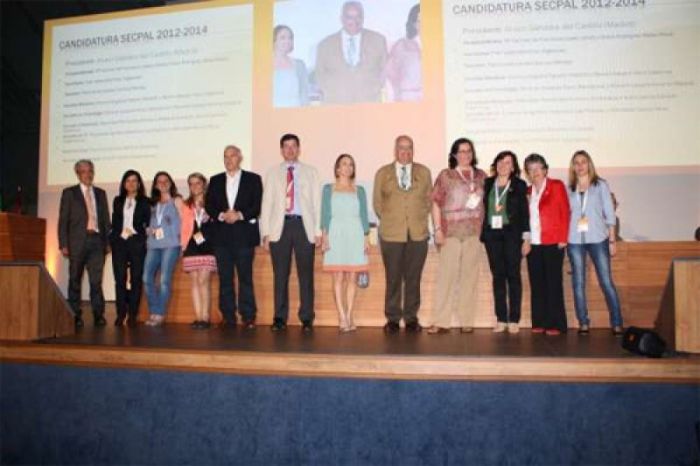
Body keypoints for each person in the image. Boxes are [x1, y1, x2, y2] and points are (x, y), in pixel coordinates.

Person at [260, 134, 321, 333]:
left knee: (306, 275)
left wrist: (318, 231)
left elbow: (317, 203)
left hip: (304, 226)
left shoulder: (311, 172)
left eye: (293, 146)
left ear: (299, 149)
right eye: (286, 146)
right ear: (281, 150)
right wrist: (266, 233)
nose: (290, 150)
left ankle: (307, 318)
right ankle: (279, 317)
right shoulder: (273, 173)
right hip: (280, 228)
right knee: (280, 275)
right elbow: (267, 204)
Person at [373, 135, 432, 333]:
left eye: (409, 148)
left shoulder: (424, 172)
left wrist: (417, 219)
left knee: (413, 278)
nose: (405, 152)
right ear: (395, 150)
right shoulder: (383, 173)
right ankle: (392, 318)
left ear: (413, 151)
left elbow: (429, 201)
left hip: (418, 234)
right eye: (401, 148)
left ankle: (411, 318)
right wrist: (393, 219)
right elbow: (378, 204)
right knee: (393, 278)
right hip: (391, 235)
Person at [429, 137, 486, 334]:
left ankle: (467, 320)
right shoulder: (446, 175)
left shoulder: (481, 176)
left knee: (470, 278)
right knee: (446, 277)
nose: (465, 155)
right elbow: (435, 203)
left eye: (468, 151)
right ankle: (441, 321)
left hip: (474, 233)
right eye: (461, 151)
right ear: (454, 154)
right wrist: (437, 230)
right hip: (450, 233)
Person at [567, 150, 624, 336]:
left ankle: (617, 322)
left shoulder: (601, 185)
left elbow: (609, 213)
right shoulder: (569, 189)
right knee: (578, 283)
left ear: (589, 164)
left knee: (606, 281)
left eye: (583, 162)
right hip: (575, 240)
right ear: (573, 167)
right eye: (576, 162)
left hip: (598, 239)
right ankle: (583, 322)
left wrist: (612, 239)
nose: (580, 165)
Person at [205, 145, 263, 329]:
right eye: (226, 156)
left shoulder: (253, 179)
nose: (229, 159)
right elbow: (209, 205)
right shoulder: (215, 180)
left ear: (240, 158)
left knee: (245, 278)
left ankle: (248, 316)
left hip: (244, 237)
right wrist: (222, 215)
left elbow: (257, 206)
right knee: (225, 278)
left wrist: (239, 215)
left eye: (232, 156)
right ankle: (228, 316)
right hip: (221, 238)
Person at [480, 151, 531, 334]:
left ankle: (514, 319)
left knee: (513, 276)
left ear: (513, 167)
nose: (503, 165)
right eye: (500, 161)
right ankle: (501, 318)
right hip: (492, 236)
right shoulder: (487, 183)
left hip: (512, 235)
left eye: (508, 162)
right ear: (496, 164)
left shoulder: (519, 185)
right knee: (498, 277)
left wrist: (526, 238)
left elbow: (524, 212)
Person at [58, 159, 111, 328]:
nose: (88, 174)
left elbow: (106, 220)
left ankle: (98, 315)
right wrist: (63, 243)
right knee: (75, 280)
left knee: (96, 281)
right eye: (84, 171)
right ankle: (75, 315)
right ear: (78, 174)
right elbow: (63, 220)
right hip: (77, 242)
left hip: (97, 241)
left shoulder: (101, 193)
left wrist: (107, 242)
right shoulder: (69, 193)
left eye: (90, 171)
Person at [321, 154, 370, 332]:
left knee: (352, 277)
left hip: (355, 233)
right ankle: (341, 316)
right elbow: (325, 214)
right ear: (337, 168)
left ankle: (349, 315)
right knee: (338, 276)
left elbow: (364, 215)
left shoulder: (359, 190)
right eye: (344, 164)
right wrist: (325, 236)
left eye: (351, 164)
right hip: (335, 233)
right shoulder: (328, 189)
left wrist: (366, 238)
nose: (348, 167)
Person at [523, 154, 570, 335]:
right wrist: (526, 240)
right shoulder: (527, 191)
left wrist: (563, 237)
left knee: (553, 283)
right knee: (537, 283)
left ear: (545, 169)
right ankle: (539, 321)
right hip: (534, 243)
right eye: (530, 169)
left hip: (553, 241)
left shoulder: (556, 186)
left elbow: (565, 211)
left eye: (537, 168)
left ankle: (556, 323)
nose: (534, 172)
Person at [315, 1, 388, 104]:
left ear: (363, 18)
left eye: (358, 17)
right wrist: (333, 92)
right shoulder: (325, 45)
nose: (355, 21)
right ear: (342, 19)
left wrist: (374, 89)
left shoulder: (378, 41)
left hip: (369, 104)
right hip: (336, 105)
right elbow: (320, 76)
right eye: (350, 17)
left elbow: (385, 71)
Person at [109, 170, 150, 328]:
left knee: (136, 279)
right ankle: (121, 314)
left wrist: (143, 237)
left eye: (134, 181)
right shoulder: (118, 200)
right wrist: (113, 239)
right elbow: (115, 222)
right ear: (124, 184)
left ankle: (133, 314)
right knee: (119, 279)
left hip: (137, 242)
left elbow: (148, 222)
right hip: (120, 242)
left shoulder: (145, 201)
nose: (131, 183)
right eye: (128, 181)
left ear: (139, 184)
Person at [143, 171, 183, 327]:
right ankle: (154, 310)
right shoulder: (153, 204)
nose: (163, 183)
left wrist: (184, 242)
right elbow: (151, 223)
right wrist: (148, 230)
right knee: (146, 278)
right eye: (159, 181)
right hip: (153, 245)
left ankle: (159, 314)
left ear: (171, 183)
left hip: (171, 245)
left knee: (164, 280)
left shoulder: (177, 200)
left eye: (166, 181)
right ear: (155, 185)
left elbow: (185, 221)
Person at [181, 173, 217, 330]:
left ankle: (205, 317)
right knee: (195, 281)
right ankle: (198, 317)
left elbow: (218, 223)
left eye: (198, 183)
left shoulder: (212, 202)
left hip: (208, 244)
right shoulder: (186, 205)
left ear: (204, 184)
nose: (195, 186)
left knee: (204, 280)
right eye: (191, 183)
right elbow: (184, 226)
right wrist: (183, 245)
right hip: (191, 245)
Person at [385, 4, 422, 102]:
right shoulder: (401, 46)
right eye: (420, 21)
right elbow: (390, 75)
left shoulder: (440, 44)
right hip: (408, 100)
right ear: (414, 24)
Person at [273, 25, 310, 107]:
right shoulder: (263, 65)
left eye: (290, 38)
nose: (287, 41)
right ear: (274, 41)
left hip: (296, 112)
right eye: (282, 38)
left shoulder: (299, 64)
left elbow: (304, 94)